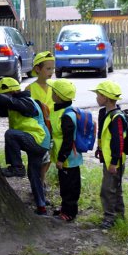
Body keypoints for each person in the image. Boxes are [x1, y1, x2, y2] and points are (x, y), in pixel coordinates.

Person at [0, 77, 51, 215]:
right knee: (34, 175)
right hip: (37, 142)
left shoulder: (27, 102)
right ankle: (41, 207)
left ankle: (17, 168)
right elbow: (2, 108)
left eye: (5, 94)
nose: (4, 98)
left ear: (12, 92)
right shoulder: (14, 105)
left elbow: (8, 102)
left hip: (37, 140)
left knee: (10, 134)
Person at [90, 80, 127, 229]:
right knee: (114, 187)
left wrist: (113, 162)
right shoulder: (102, 112)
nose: (96, 98)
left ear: (105, 97)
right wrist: (99, 149)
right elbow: (102, 134)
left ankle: (109, 218)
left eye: (98, 95)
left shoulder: (116, 117)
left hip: (114, 160)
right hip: (107, 157)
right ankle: (119, 215)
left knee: (108, 189)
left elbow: (118, 141)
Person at [47, 79, 82, 222]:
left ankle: (69, 213)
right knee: (64, 185)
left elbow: (68, 140)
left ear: (59, 96)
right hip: (65, 157)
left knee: (70, 187)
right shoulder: (60, 110)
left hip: (69, 159)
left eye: (53, 91)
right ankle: (65, 209)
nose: (51, 93)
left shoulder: (67, 115)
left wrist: (61, 158)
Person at [24, 51, 56, 196]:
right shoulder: (30, 89)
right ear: (37, 69)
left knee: (49, 157)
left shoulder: (54, 88)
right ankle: (36, 183)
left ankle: (41, 180)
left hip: (52, 128)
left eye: (52, 68)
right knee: (37, 158)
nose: (51, 72)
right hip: (38, 130)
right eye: (48, 69)